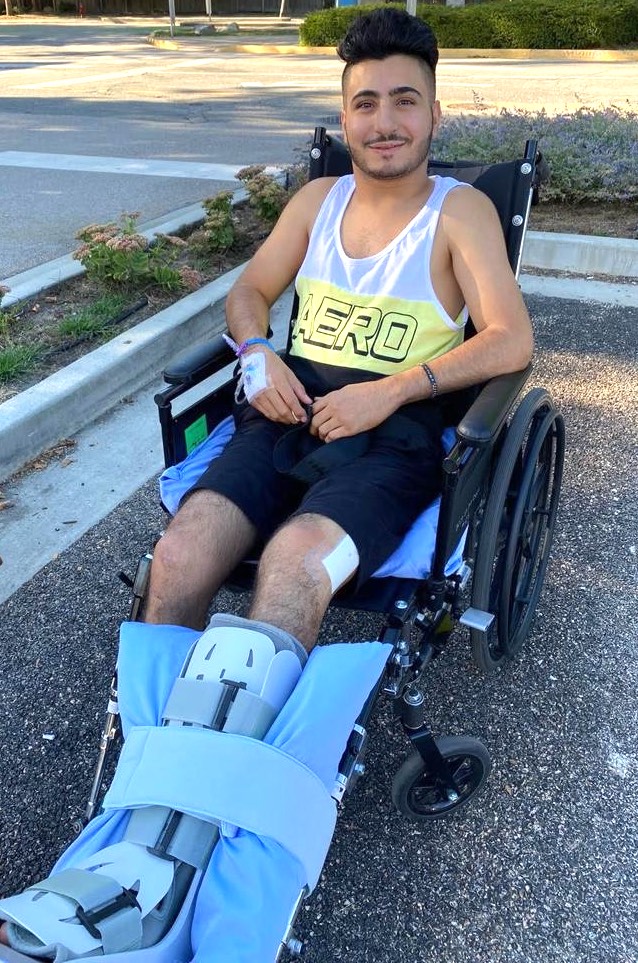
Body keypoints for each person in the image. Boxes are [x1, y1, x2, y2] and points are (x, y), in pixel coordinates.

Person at [144, 5, 533, 651]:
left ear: (434, 114)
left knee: (298, 560)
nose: (385, 123)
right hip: (287, 412)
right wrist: (257, 352)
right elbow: (251, 289)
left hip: (395, 434)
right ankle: (153, 742)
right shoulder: (316, 201)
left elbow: (510, 339)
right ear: (346, 117)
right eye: (366, 103)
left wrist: (390, 390)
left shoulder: (459, 213)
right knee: (181, 550)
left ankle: (250, 745)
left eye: (405, 101)